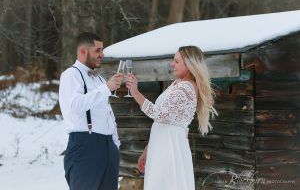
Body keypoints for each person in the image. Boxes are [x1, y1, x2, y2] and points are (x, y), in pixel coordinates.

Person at [126, 46, 218, 190]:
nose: (172, 64)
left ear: (189, 64)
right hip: (161, 145)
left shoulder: (186, 88)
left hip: (170, 147)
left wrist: (135, 93)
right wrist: (147, 151)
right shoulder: (177, 84)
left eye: (176, 61)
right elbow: (162, 121)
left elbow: (159, 114)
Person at [59, 32, 123, 190]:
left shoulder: (99, 79)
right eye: (98, 50)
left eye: (102, 50)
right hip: (85, 145)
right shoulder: (71, 75)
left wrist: (115, 143)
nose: (102, 55)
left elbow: (108, 113)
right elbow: (75, 105)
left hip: (108, 148)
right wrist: (106, 88)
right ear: (83, 51)